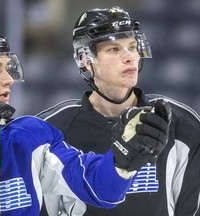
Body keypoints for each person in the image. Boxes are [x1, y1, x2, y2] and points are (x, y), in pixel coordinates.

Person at [0, 26, 170, 216]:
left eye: (7, 67)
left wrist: (123, 162)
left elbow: (98, 189)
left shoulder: (30, 135)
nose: (8, 79)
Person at [37, 6, 200, 216]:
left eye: (132, 47)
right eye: (114, 49)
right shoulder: (52, 129)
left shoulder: (181, 124)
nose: (129, 57)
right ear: (86, 60)